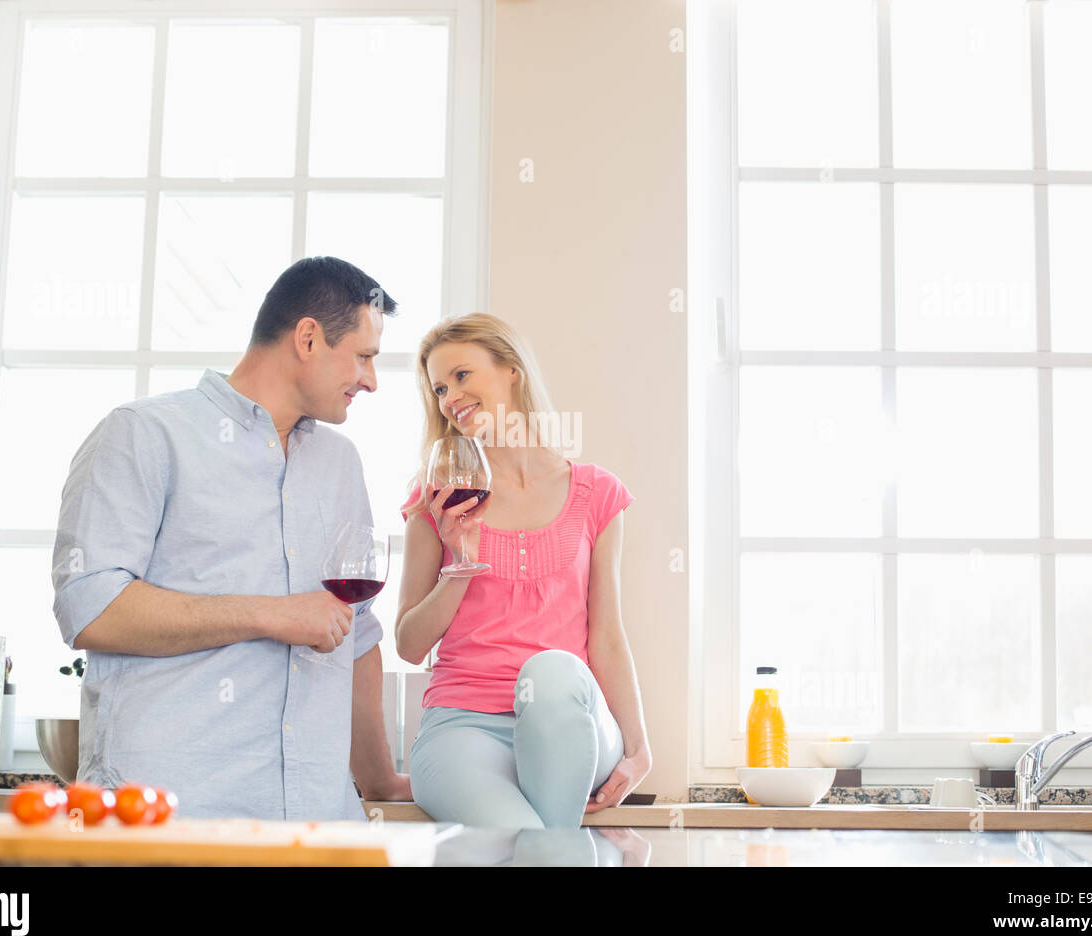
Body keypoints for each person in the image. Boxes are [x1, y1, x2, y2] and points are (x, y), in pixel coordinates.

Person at [51, 256, 410, 820]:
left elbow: (357, 635)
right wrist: (271, 614)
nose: (370, 379)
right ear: (309, 338)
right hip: (171, 818)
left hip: (319, 821)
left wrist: (381, 780)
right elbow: (91, 609)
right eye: (363, 356)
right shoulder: (144, 434)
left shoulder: (341, 463)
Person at [395, 312, 652, 829]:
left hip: (568, 720)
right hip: (462, 729)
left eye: (462, 376)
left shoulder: (596, 493)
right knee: (527, 840)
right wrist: (460, 563)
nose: (450, 398)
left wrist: (640, 747)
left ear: (510, 370)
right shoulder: (437, 499)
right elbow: (409, 644)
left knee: (551, 671)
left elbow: (606, 636)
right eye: (440, 388)